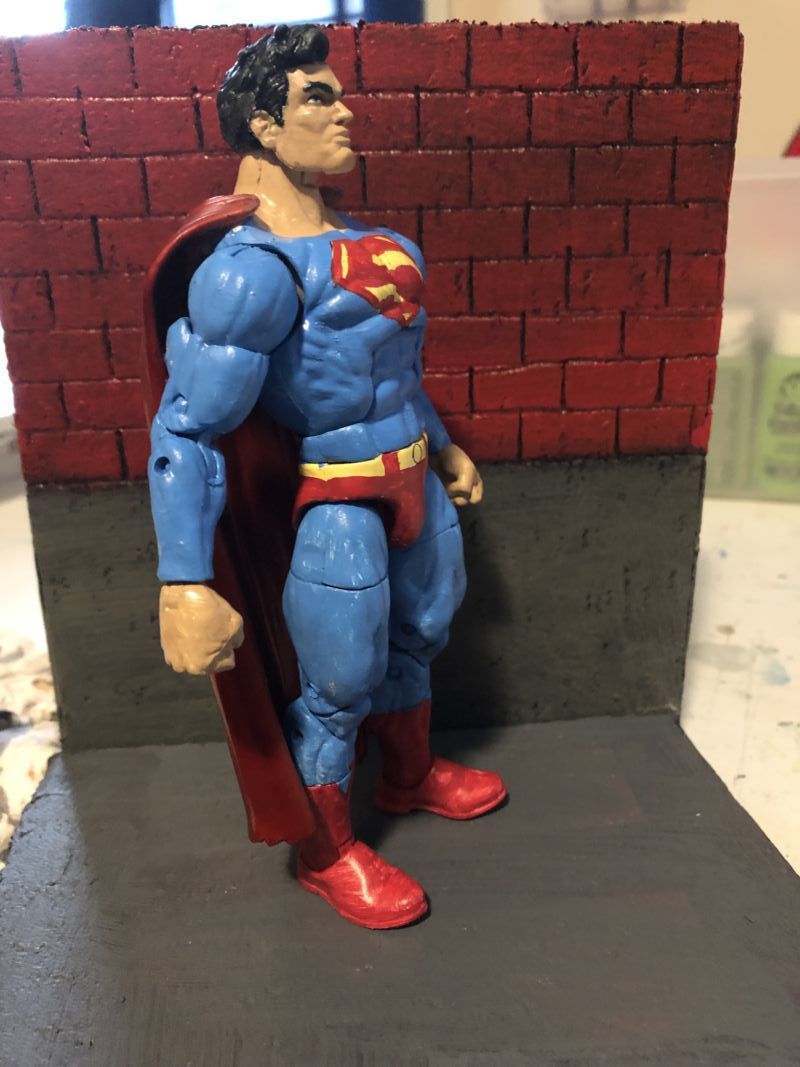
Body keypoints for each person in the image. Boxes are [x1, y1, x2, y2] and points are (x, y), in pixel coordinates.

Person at [148, 23, 507, 929]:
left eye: (339, 94)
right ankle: (325, 849)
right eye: (318, 98)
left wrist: (444, 445)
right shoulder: (250, 273)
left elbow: (400, 374)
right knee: (341, 677)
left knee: (423, 630)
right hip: (338, 493)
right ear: (264, 127)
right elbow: (188, 425)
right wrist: (183, 580)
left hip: (415, 474)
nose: (345, 113)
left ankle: (410, 775)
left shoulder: (379, 244)